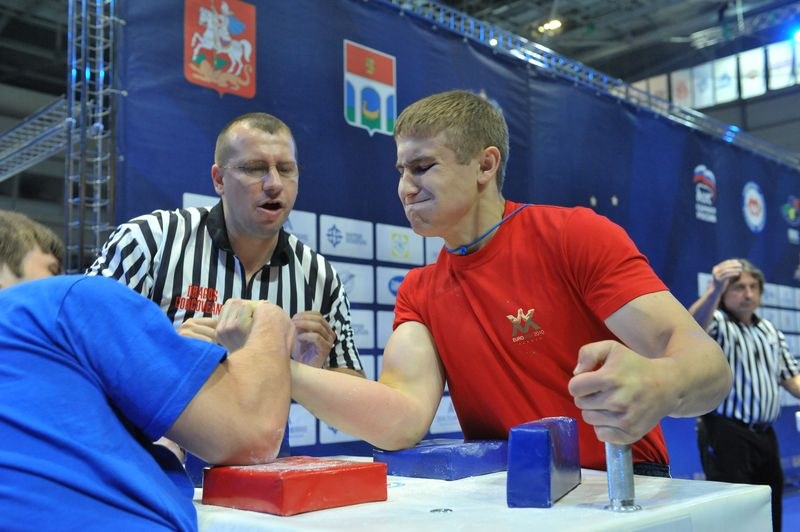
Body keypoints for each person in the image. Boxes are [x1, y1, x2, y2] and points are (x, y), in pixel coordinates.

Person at [289, 89, 732, 476]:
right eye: (401, 171)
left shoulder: (571, 236)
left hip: (619, 483)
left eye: (422, 167)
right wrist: (285, 373)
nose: (405, 188)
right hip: (507, 494)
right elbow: (400, 420)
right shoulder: (419, 291)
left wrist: (660, 383)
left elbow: (710, 370)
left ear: (485, 164)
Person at [0, 209, 294, 529]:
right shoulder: (66, 298)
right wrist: (271, 323)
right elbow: (253, 435)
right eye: (53, 270)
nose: (60, 281)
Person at [87, 112, 362, 378]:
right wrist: (168, 353)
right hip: (152, 426)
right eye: (255, 169)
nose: (274, 184)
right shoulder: (149, 241)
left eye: (286, 169)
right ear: (219, 180)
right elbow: (80, 345)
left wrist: (307, 374)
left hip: (266, 427)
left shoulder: (320, 277)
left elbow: (355, 391)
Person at [689, 258, 800, 532]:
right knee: (735, 516)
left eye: (753, 287)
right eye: (738, 287)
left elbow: (791, 377)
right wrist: (714, 289)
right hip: (726, 433)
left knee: (770, 509)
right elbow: (691, 328)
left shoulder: (770, 331)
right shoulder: (717, 322)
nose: (748, 294)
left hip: (764, 435)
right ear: (725, 292)